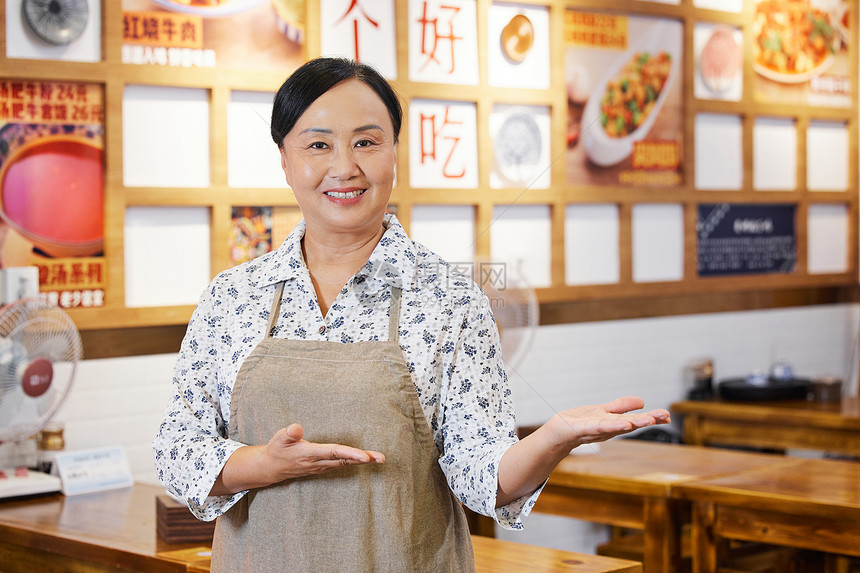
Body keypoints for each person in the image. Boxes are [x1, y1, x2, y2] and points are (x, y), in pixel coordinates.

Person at [152, 57, 670, 573]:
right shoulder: (232, 298)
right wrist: (260, 465)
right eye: (317, 145)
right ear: (284, 161)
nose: (344, 167)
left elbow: (480, 474)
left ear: (394, 154)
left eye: (366, 141)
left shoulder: (450, 300)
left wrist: (552, 439)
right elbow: (178, 448)